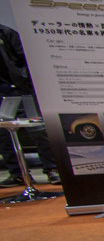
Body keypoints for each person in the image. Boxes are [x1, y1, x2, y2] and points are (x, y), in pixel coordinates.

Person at [0, 23, 59, 186]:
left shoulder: (5, 33)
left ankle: (53, 169)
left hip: (22, 89)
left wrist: (24, 80)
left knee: (37, 130)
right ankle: (18, 174)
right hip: (2, 92)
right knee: (4, 134)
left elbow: (26, 58)